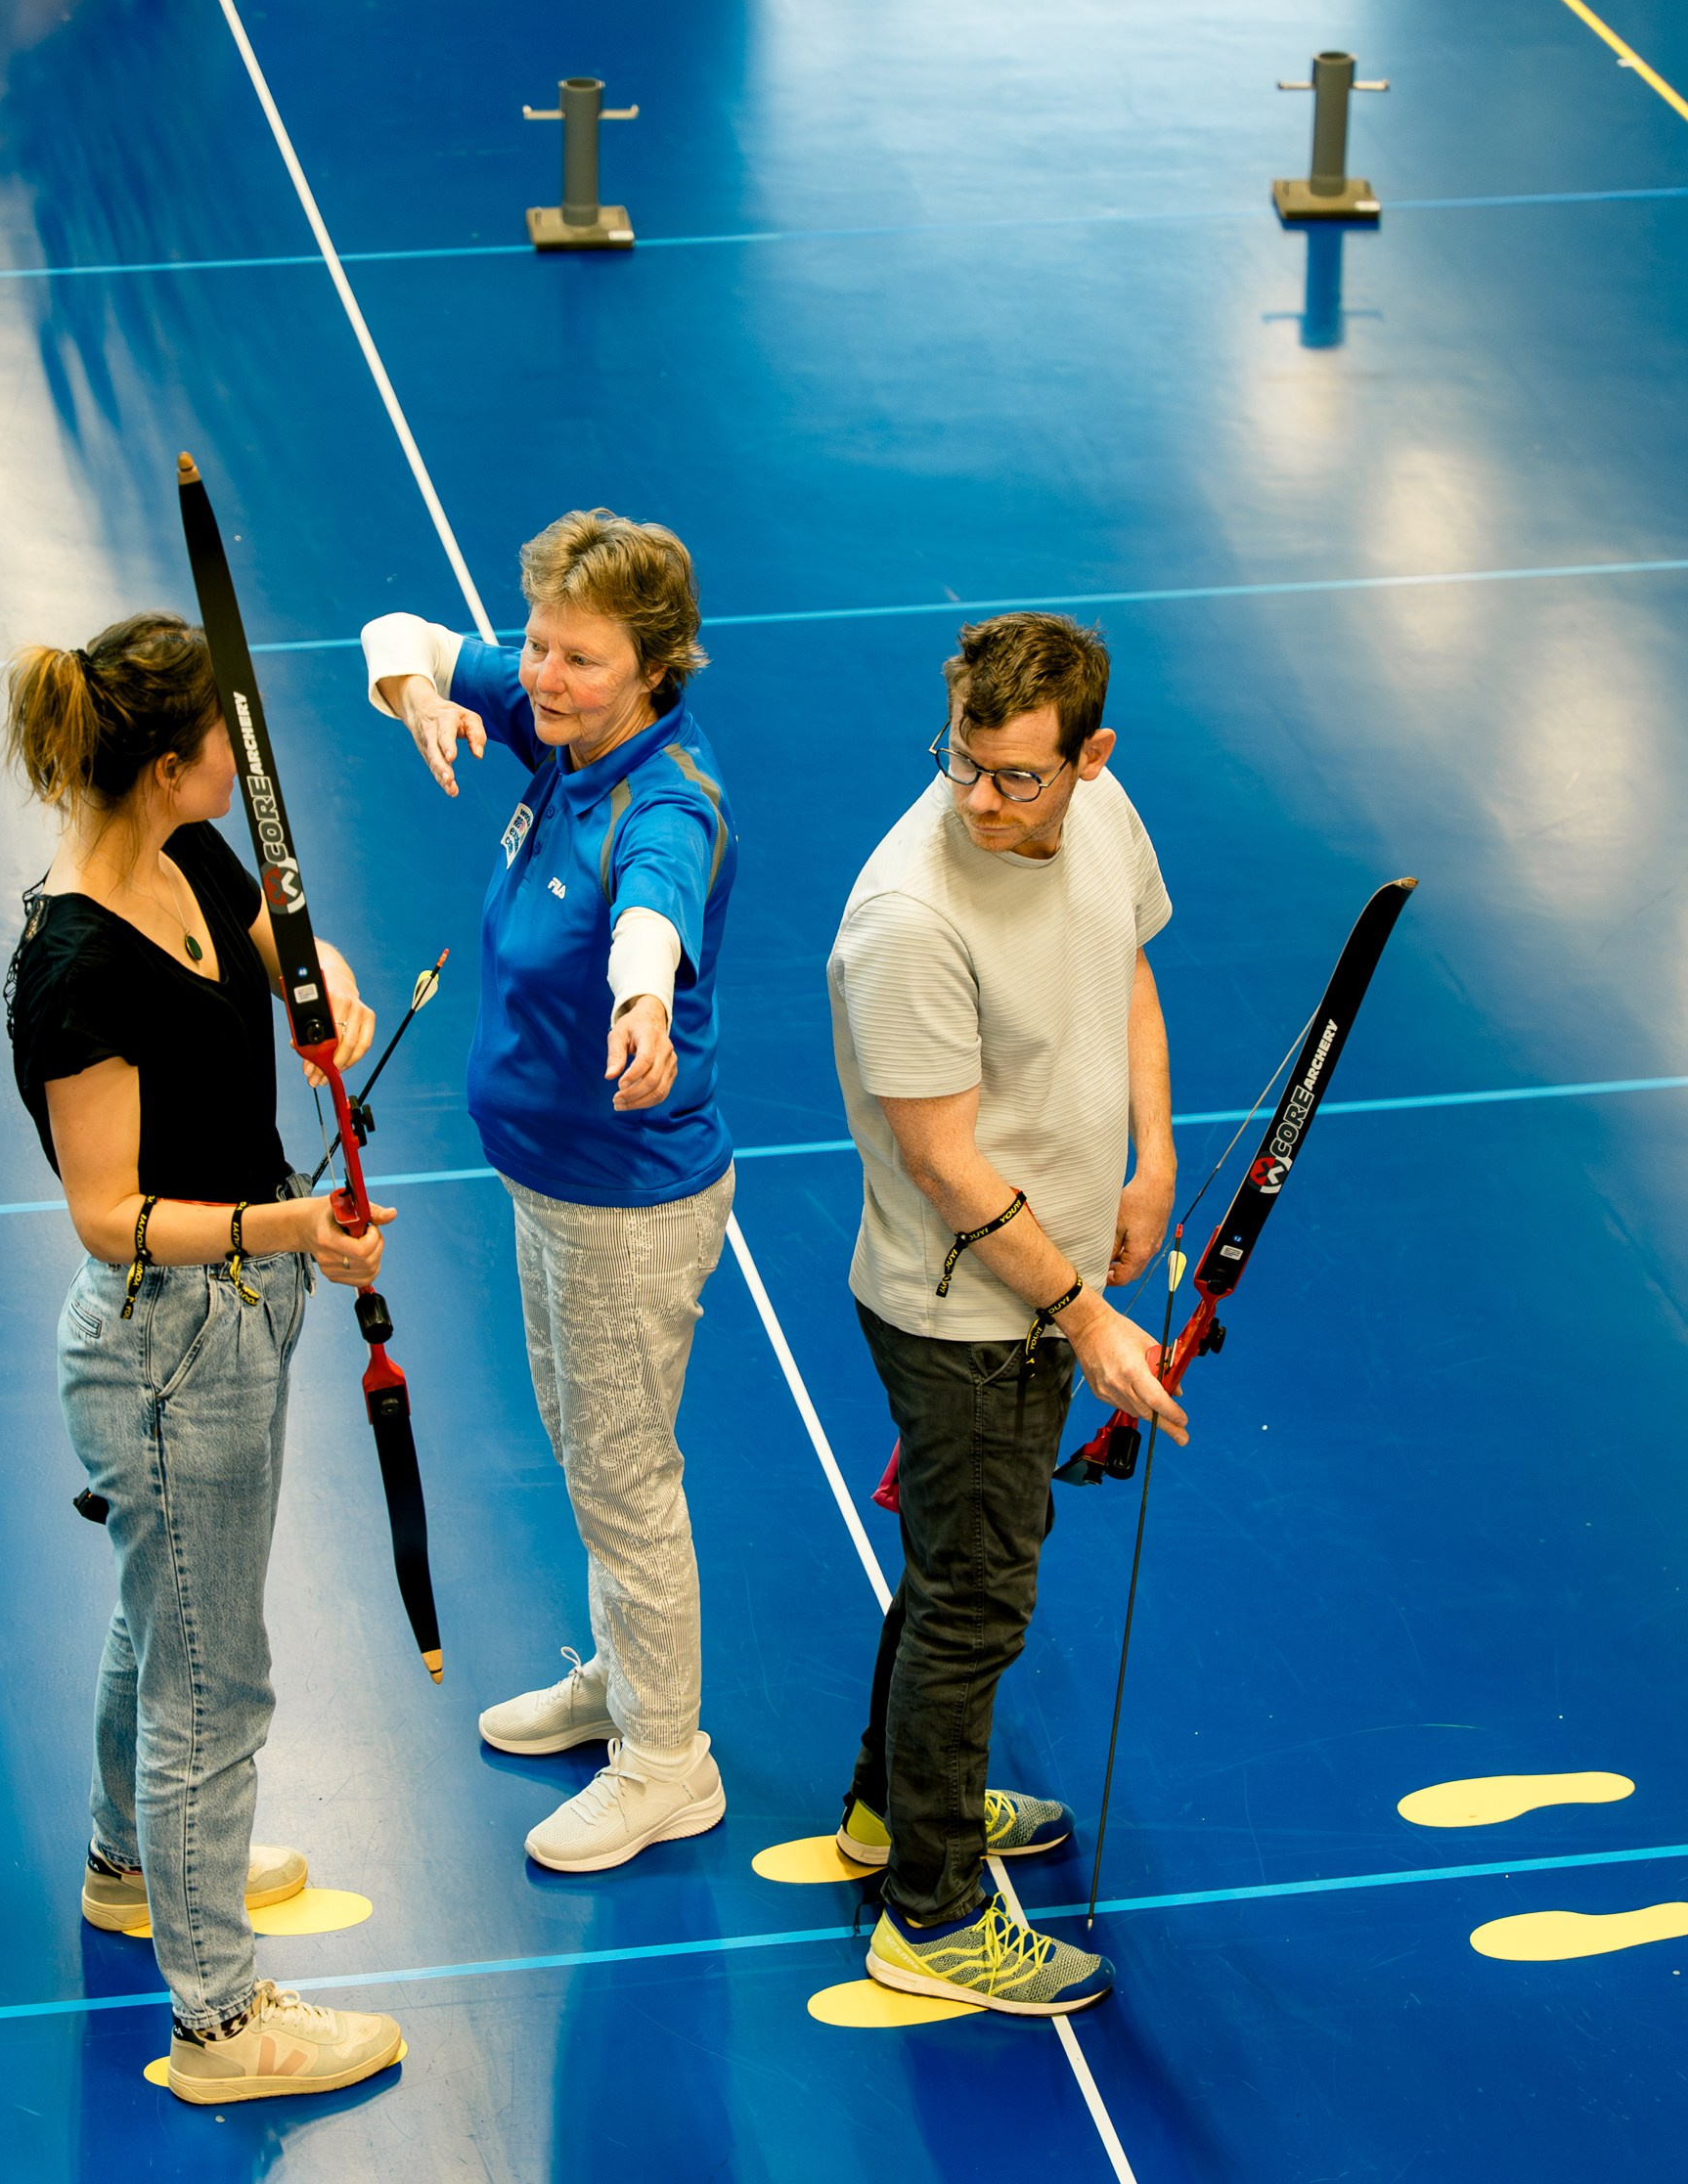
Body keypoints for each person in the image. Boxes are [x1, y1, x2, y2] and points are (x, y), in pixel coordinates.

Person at [3, 610, 407, 2107]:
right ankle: (223, 2027)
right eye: (223, 753)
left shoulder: (185, 854)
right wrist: (298, 1220)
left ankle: (132, 1866)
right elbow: (109, 1217)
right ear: (169, 763)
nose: (242, 772)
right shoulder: (77, 971)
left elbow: (283, 951)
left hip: (239, 1307)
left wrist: (334, 991)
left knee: (157, 1616)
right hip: (171, 1344)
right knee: (211, 1682)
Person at [360, 509, 737, 1874]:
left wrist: (644, 1000)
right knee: (589, 1454)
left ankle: (668, 1760)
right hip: (548, 1188)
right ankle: (624, 1687)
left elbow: (654, 907)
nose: (546, 676)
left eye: (583, 659)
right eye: (539, 646)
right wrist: (417, 694)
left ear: (655, 668)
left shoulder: (665, 802)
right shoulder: (556, 731)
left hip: (627, 1202)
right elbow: (393, 633)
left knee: (628, 1476)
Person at [826, 611, 1184, 2017]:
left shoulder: (1099, 816)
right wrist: (1092, 1312)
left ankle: (889, 1809)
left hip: (1053, 1272)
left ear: (1090, 758)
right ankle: (930, 1915)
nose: (979, 798)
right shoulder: (908, 917)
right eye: (962, 761)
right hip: (966, 1316)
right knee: (976, 1603)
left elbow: (1127, 970)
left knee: (947, 1577)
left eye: (1017, 776)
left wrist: (1150, 1159)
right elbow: (943, 1161)